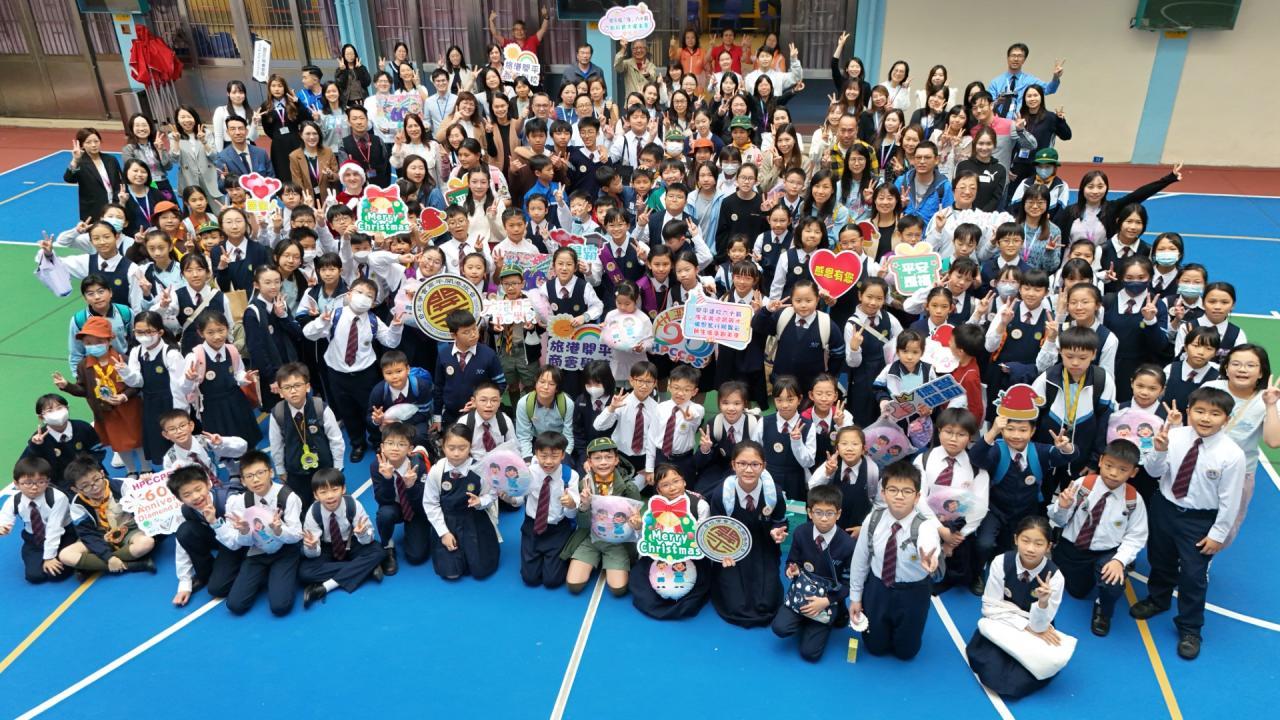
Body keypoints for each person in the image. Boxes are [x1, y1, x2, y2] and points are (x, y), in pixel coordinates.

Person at [1048, 439, 1148, 637]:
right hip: (1075, 547)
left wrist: (1119, 560)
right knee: (1077, 591)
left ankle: (1103, 608)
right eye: (1109, 465)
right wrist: (1062, 507)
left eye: (1122, 469)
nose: (1113, 473)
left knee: (1113, 582)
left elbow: (1137, 536)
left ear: (1133, 472)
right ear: (1101, 461)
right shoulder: (1083, 485)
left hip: (1107, 552)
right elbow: (1059, 520)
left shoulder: (1133, 500)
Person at [966, 516, 1070, 698]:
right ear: (1015, 539)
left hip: (1031, 625)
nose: (1030, 549)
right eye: (1025, 540)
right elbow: (989, 609)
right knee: (992, 663)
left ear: (1049, 546)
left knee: (1032, 669)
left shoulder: (1055, 577)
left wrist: (1043, 603)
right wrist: (1024, 625)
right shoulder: (1001, 562)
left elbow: (1039, 626)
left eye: (1039, 543)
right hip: (1004, 623)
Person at [301, 278, 403, 462]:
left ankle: (377, 441)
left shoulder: (373, 320)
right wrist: (321, 322)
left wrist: (396, 327)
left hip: (366, 375)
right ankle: (357, 444)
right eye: (359, 292)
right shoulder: (335, 315)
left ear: (373, 303)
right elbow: (308, 334)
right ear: (349, 294)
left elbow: (391, 342)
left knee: (371, 410)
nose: (363, 298)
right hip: (337, 374)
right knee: (347, 411)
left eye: (369, 296)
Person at [848, 461, 942, 660]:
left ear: (917, 497)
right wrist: (855, 598)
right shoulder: (873, 519)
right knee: (875, 648)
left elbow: (929, 543)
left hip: (913, 592)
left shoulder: (925, 526)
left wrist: (930, 558)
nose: (899, 496)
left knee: (906, 653)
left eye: (907, 491)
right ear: (883, 493)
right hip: (878, 588)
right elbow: (860, 560)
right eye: (893, 490)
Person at [52, 316, 146, 475]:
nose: (93, 346)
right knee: (118, 443)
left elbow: (136, 385)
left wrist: (124, 396)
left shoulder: (123, 359)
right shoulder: (84, 365)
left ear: (109, 340)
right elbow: (84, 390)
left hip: (129, 409)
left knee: (138, 439)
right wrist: (67, 386)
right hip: (105, 412)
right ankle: (130, 470)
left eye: (98, 342)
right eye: (88, 343)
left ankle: (145, 468)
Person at [708, 441, 789, 627]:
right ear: (733, 464)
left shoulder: (774, 494)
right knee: (736, 604)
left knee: (766, 603)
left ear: (764, 466)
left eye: (755, 464)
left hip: (763, 547)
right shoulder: (721, 494)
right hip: (733, 550)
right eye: (742, 463)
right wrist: (722, 554)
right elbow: (715, 530)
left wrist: (777, 531)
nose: (748, 470)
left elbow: (780, 521)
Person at [772, 484, 856, 661]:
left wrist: (826, 601)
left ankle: (833, 615)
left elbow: (849, 583)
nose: (824, 518)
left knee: (810, 654)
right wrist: (791, 569)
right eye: (818, 512)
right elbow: (792, 561)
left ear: (838, 514)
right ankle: (804, 616)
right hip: (801, 594)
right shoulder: (801, 532)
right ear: (809, 512)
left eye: (830, 513)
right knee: (780, 628)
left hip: (826, 599)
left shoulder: (848, 544)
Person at [299, 468, 385, 609]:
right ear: (315, 495)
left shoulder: (353, 505)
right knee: (304, 572)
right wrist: (312, 547)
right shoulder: (313, 513)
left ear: (343, 489)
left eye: (334, 489)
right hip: (326, 547)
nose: (330, 496)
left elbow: (368, 539)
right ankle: (366, 568)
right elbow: (312, 553)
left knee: (378, 551)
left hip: (351, 542)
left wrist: (362, 533)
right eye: (323, 492)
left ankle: (325, 587)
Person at [423, 424, 499, 580]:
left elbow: (491, 495)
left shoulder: (480, 469)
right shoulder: (437, 471)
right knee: (451, 573)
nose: (456, 453)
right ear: (443, 446)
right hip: (448, 521)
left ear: (470, 446)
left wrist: (480, 501)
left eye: (462, 448)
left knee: (480, 571)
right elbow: (431, 504)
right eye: (451, 448)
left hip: (474, 520)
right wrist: (444, 533)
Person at [59, 458, 157, 575]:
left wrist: (148, 485)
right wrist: (108, 558)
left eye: (96, 480)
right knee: (65, 555)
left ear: (102, 473)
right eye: (86, 486)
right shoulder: (77, 505)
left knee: (146, 543)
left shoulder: (123, 485)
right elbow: (87, 534)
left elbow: (151, 505)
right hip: (100, 536)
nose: (95, 487)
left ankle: (92, 565)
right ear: (75, 489)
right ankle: (131, 565)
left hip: (129, 530)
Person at [268, 363, 344, 510]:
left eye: (297, 385)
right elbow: (276, 444)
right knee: (301, 507)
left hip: (323, 468)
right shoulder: (277, 413)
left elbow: (336, 439)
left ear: (308, 386)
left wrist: (337, 467)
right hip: (296, 472)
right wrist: (280, 469)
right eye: (287, 387)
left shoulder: (320, 407)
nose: (293, 391)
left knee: (330, 504)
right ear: (280, 392)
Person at [168, 466, 245, 606]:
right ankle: (207, 573)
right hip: (221, 539)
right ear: (179, 498)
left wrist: (214, 522)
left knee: (218, 588)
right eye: (187, 494)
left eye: (198, 489)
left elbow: (237, 542)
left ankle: (249, 568)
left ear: (208, 484)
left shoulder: (230, 500)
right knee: (185, 531)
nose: (195, 497)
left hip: (240, 541)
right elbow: (182, 545)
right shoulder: (186, 510)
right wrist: (184, 584)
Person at [512, 432, 580, 589]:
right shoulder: (528, 473)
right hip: (532, 527)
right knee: (530, 579)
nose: (548, 461)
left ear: (563, 455)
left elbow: (571, 514)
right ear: (536, 453)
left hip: (558, 530)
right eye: (543, 456)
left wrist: (571, 504)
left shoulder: (570, 476)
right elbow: (518, 500)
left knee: (552, 581)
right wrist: (508, 496)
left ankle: (563, 554)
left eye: (554, 456)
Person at [1, 457, 75, 583]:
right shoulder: (15, 500)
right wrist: (3, 526)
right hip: (33, 540)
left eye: (41, 482)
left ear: (48, 481)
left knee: (56, 575)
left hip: (63, 535)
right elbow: (4, 516)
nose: (34, 487)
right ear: (16, 484)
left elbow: (54, 529)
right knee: (34, 576)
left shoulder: (58, 498)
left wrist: (49, 557)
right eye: (28, 483)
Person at [433, 309, 506, 430]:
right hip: (451, 416)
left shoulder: (489, 354)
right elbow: (438, 387)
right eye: (466, 332)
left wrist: (481, 402)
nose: (473, 334)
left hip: (481, 415)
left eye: (474, 328)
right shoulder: (444, 354)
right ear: (454, 335)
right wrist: (437, 417)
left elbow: (501, 384)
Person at [22, 393, 103, 491]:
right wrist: (35, 446)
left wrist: (90, 469)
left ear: (67, 409)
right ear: (41, 417)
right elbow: (27, 465)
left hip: (91, 476)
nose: (56, 412)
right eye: (49, 410)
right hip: (61, 485)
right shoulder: (38, 439)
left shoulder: (82, 427)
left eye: (59, 408)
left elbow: (97, 450)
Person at [988, 43, 1064, 118]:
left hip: (1024, 121)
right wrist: (998, 101)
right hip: (1000, 122)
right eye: (1013, 55)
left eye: (1020, 56)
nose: (1016, 59)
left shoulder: (1030, 80)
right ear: (1008, 58)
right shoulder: (996, 82)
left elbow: (1049, 89)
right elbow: (987, 105)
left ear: (1024, 60)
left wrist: (1055, 77)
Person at [340, 105, 392, 188]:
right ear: (349, 122)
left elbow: (386, 165)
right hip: (357, 189)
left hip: (379, 187)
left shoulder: (378, 140)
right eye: (354, 119)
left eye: (362, 118)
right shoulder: (344, 144)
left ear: (367, 120)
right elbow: (345, 171)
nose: (359, 122)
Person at [335, 43, 371, 107]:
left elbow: (367, 82)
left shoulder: (362, 67)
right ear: (344, 56)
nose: (350, 56)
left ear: (355, 54)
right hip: (348, 102)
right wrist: (343, 71)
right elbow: (340, 85)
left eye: (352, 53)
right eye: (347, 54)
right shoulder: (339, 70)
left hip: (362, 100)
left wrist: (359, 69)